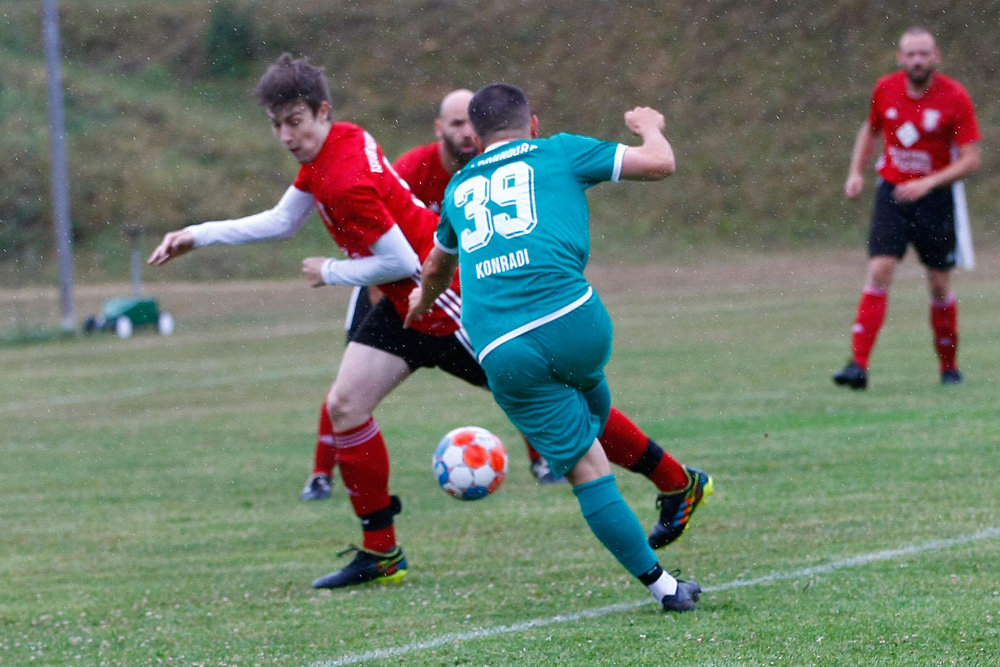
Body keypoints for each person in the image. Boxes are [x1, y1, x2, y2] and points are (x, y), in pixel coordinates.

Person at [407, 83, 703, 612]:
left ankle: (665, 588)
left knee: (587, 468)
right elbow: (661, 164)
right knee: (586, 396)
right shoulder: (559, 149)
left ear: (473, 137)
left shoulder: (457, 189)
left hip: (503, 350)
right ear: (533, 125)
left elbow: (436, 266)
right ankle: (676, 482)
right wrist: (649, 126)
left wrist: (420, 304)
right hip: (578, 324)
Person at [301, 89, 564, 501]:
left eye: (470, 124)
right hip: (387, 284)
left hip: (455, 290)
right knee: (350, 383)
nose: (464, 132)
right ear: (440, 129)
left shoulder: (493, 170)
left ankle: (546, 457)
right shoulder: (411, 169)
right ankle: (321, 474)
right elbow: (375, 236)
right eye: (455, 124)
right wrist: (378, 298)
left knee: (509, 372)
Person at [834, 27, 981, 390]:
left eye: (924, 54)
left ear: (936, 57)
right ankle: (858, 365)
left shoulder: (955, 97)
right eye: (911, 54)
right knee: (880, 269)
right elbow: (870, 130)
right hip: (893, 194)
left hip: (935, 200)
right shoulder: (885, 89)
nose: (917, 60)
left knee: (938, 283)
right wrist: (856, 172)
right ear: (900, 58)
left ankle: (949, 367)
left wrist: (929, 182)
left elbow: (971, 160)